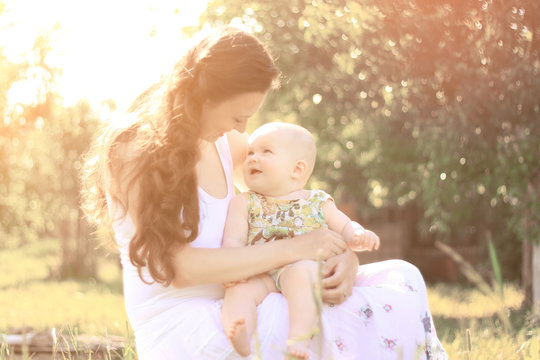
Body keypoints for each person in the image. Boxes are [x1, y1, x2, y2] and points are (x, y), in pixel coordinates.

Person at [81, 26, 448, 359]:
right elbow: (178, 269)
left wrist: (341, 258)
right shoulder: (133, 149)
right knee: (331, 321)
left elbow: (287, 193)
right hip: (184, 327)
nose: (242, 128)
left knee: (401, 279)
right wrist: (296, 249)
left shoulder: (227, 140)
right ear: (204, 98)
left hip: (245, 299)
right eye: (238, 116)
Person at [221, 122, 381, 359]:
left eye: (266, 151)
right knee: (239, 291)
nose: (253, 158)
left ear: (296, 169)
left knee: (302, 276)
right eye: (251, 152)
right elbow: (232, 241)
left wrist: (356, 234)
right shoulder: (244, 202)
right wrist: (233, 269)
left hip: (299, 267)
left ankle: (299, 338)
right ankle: (240, 331)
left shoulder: (316, 201)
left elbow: (344, 224)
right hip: (260, 271)